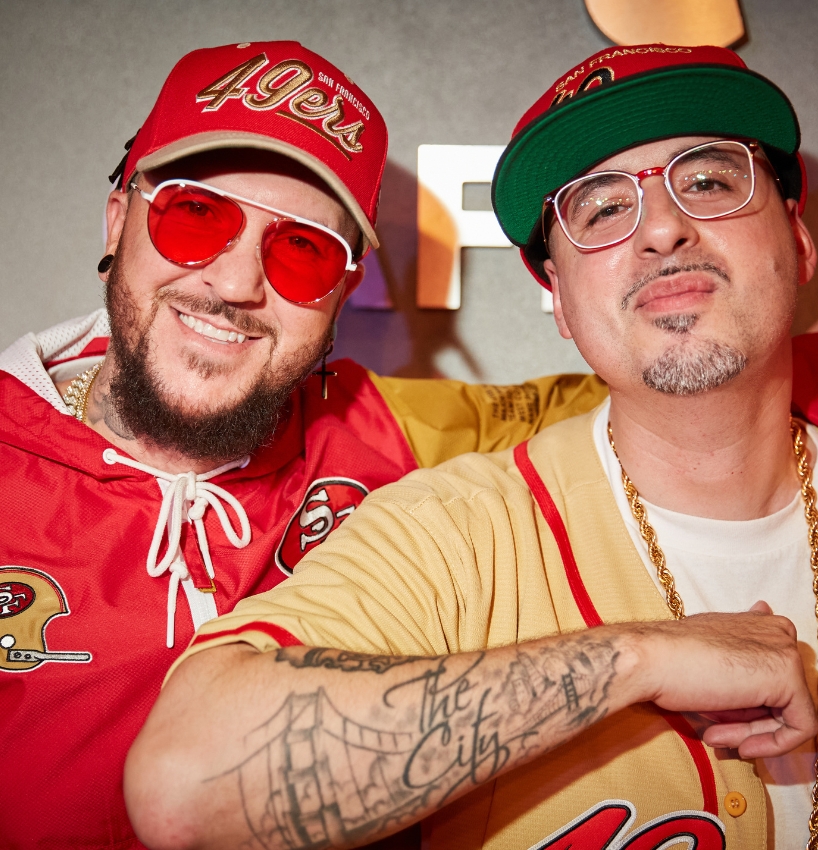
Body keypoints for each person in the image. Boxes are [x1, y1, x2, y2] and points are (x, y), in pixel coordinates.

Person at [126, 44, 818, 850]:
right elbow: (184, 789)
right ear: (561, 304)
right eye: (602, 208)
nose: (665, 229)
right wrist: (640, 659)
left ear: (800, 240)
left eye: (710, 181)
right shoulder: (457, 532)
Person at [0, 41, 613, 849]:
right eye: (195, 215)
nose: (234, 283)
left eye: (301, 251)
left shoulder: (388, 432)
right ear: (119, 219)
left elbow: (683, 387)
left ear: (343, 291)